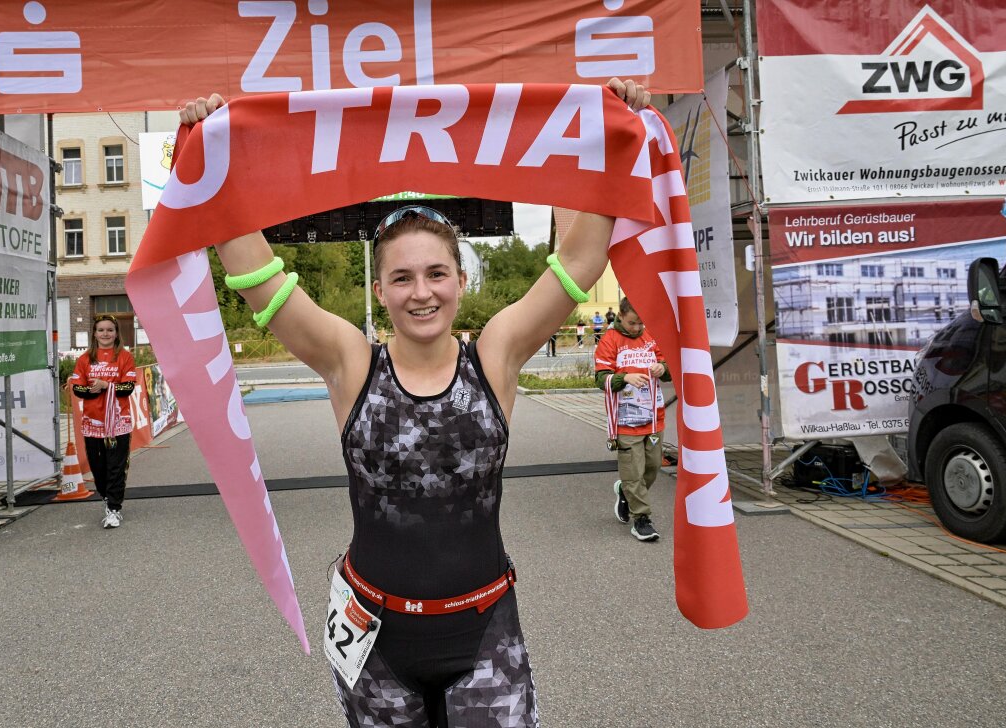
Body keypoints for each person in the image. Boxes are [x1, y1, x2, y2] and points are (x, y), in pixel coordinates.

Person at [180, 78, 651, 728]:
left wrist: (612, 137)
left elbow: (580, 258)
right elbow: (259, 281)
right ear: (381, 287)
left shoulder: (497, 354)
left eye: (435, 274)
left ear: (460, 280)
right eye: (402, 277)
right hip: (376, 641)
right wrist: (214, 155)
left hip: (484, 637)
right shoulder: (350, 363)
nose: (420, 292)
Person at [594, 297, 674, 542]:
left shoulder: (650, 336)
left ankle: (625, 492)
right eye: (632, 323)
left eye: (641, 323)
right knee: (633, 472)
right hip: (626, 421)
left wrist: (663, 367)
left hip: (653, 418)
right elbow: (600, 379)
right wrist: (625, 377)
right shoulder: (609, 340)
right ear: (620, 315)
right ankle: (641, 519)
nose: (637, 328)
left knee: (652, 468)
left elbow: (669, 368)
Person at [69, 314, 138, 528]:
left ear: (116, 333)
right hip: (93, 423)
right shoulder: (84, 359)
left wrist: (106, 385)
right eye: (101, 330)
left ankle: (114, 509)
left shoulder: (125, 357)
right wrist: (94, 389)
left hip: (118, 422)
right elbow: (77, 389)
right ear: (94, 333)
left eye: (110, 330)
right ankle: (107, 497)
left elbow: (128, 387)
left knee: (116, 467)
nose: (105, 334)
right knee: (98, 468)